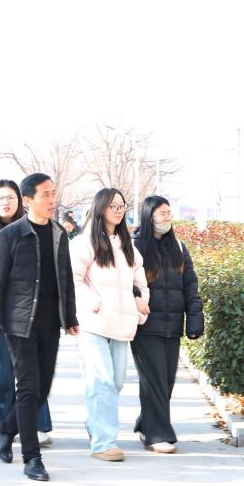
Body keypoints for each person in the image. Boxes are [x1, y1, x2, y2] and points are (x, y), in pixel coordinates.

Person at [0, 173, 79, 481]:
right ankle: (32, 458)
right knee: (27, 388)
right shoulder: (9, 236)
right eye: (45, 194)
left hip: (50, 323)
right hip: (19, 324)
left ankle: (6, 428)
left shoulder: (58, 233)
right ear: (28, 200)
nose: (52, 200)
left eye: (53, 193)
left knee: (42, 389)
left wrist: (71, 317)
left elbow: (65, 278)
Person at [0, 180, 55, 438]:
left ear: (21, 200)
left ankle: (38, 424)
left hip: (29, 313)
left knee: (33, 375)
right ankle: (3, 425)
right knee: (2, 374)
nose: (6, 202)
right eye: (1, 198)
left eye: (11, 197)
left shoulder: (35, 228)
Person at [70, 188, 149, 462]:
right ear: (100, 208)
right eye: (113, 205)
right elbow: (73, 280)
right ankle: (103, 442)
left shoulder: (128, 246)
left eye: (121, 206)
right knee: (101, 380)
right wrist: (94, 303)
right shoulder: (83, 243)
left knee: (115, 382)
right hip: (94, 323)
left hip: (122, 324)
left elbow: (140, 282)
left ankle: (95, 424)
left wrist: (139, 302)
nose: (118, 210)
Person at [131, 196, 203, 454]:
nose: (167, 218)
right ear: (149, 216)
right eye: (162, 213)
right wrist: (136, 298)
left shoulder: (178, 247)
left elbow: (190, 285)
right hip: (145, 325)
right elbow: (124, 281)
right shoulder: (134, 246)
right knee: (155, 380)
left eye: (169, 213)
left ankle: (146, 423)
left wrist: (195, 318)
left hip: (173, 325)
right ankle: (157, 433)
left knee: (167, 380)